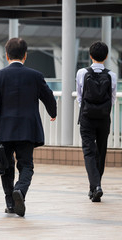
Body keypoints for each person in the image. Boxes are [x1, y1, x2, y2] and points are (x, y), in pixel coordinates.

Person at [0, 38, 56, 217]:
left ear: (6, 55)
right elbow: (48, 96)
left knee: (6, 166)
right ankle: (20, 190)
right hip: (28, 128)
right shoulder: (35, 75)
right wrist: (53, 113)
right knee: (26, 165)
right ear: (25, 55)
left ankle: (10, 203)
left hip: (5, 128)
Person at [76, 41, 117, 203]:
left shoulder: (81, 73)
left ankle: (96, 186)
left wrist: (87, 108)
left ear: (90, 56)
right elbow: (112, 99)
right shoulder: (111, 75)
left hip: (87, 116)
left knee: (89, 152)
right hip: (104, 117)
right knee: (101, 151)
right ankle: (95, 187)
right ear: (106, 56)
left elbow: (80, 96)